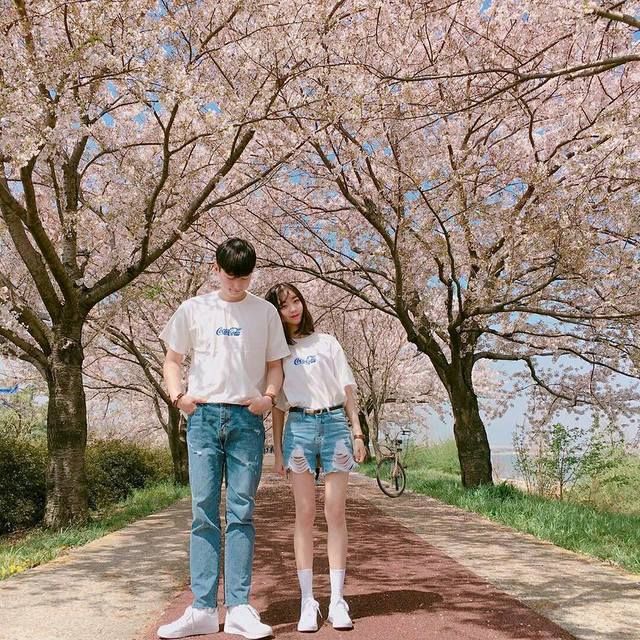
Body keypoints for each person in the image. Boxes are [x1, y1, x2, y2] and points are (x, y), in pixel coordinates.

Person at [158, 238, 290, 640]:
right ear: (216, 268)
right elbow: (172, 360)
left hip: (246, 420)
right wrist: (178, 397)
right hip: (201, 417)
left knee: (241, 512)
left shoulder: (264, 312)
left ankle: (238, 607)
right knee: (202, 510)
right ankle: (200, 608)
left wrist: (267, 399)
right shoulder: (194, 308)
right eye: (231, 277)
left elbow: (274, 366)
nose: (237, 285)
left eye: (245, 278)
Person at [265, 283, 367, 633]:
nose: (292, 308)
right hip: (299, 427)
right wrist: (277, 450)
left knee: (334, 511)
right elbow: (277, 406)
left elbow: (348, 390)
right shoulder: (277, 352)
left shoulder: (327, 342)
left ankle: (337, 599)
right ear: (275, 313)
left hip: (335, 422)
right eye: (283, 305)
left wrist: (357, 432)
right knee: (304, 513)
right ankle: (307, 600)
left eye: (296, 301)